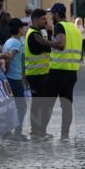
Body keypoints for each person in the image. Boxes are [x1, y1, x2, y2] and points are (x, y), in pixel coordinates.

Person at [41, 2, 83, 142]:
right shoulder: (74, 28)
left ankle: (41, 132)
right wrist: (49, 34)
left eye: (51, 13)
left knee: (48, 102)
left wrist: (44, 42)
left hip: (58, 71)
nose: (50, 16)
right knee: (66, 104)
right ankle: (64, 135)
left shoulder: (59, 26)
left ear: (56, 14)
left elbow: (60, 44)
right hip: (72, 72)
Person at [24, 9, 57, 141]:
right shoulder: (33, 35)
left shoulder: (37, 34)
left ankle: (39, 131)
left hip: (41, 74)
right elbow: (48, 48)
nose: (46, 21)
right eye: (43, 19)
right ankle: (36, 132)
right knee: (38, 104)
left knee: (40, 103)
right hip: (36, 75)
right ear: (36, 19)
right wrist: (50, 33)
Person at [2, 18, 29, 141]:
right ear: (19, 29)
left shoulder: (9, 41)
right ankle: (16, 132)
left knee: (11, 106)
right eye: (22, 27)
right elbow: (9, 57)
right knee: (21, 106)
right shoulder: (16, 43)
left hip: (12, 78)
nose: (24, 29)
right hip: (14, 78)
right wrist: (6, 69)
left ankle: (8, 132)